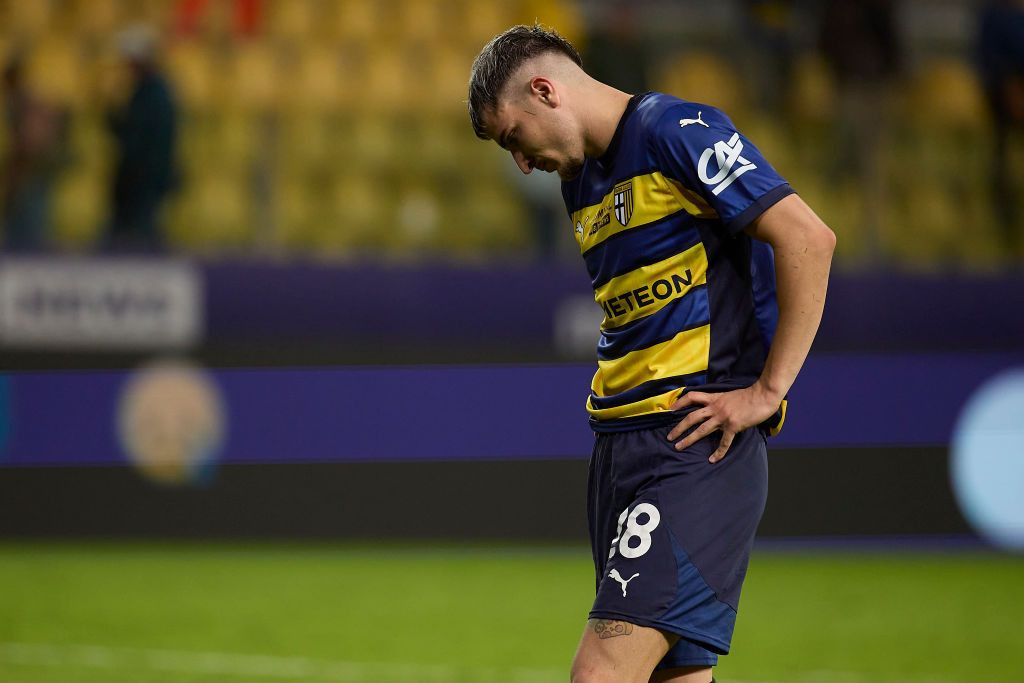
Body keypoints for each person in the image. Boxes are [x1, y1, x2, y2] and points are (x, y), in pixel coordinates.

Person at [467, 25, 835, 683]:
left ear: (545, 91)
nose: (521, 163)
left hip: (692, 448)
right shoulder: (578, 181)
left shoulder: (676, 131)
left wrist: (768, 390)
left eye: (513, 137)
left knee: (601, 671)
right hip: (618, 450)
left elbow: (808, 238)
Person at [105, 26, 179, 252]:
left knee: (141, 231)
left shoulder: (155, 93)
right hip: (140, 176)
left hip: (145, 177)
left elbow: (142, 137)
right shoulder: (147, 90)